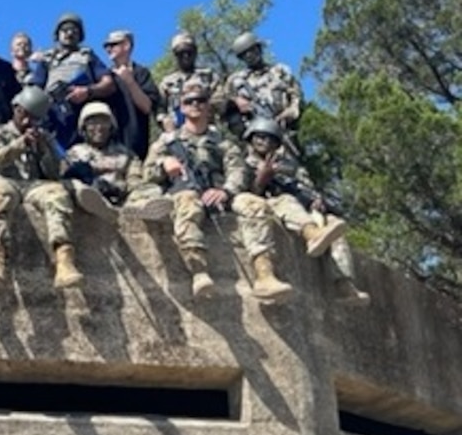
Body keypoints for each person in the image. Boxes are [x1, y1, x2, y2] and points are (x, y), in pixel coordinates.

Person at [139, 85, 293, 302]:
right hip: (186, 191)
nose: (195, 105)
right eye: (189, 101)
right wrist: (164, 165)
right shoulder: (167, 143)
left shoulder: (223, 142)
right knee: (187, 200)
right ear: (181, 108)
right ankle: (199, 271)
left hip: (222, 194)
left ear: (208, 106)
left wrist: (226, 191)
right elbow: (147, 174)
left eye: (201, 101)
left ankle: (264, 274)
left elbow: (238, 170)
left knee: (254, 204)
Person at [243, 118, 370, 306]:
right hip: (264, 206)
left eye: (272, 140)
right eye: (260, 137)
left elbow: (298, 188)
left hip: (293, 208)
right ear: (250, 138)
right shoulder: (243, 162)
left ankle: (344, 285)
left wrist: (314, 201)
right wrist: (262, 178)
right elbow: (242, 194)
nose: (265, 143)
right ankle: (311, 234)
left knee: (333, 227)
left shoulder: (285, 167)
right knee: (287, 200)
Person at [0, 86, 83, 290]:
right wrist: (20, 143)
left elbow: (55, 173)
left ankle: (64, 260)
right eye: (23, 114)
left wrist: (44, 150)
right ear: (16, 108)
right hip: (6, 181)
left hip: (34, 184)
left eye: (33, 117)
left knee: (57, 194)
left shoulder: (44, 136)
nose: (27, 121)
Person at [28, 12, 115, 152]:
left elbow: (108, 83)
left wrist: (88, 91)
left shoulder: (87, 55)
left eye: (74, 30)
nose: (69, 33)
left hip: (81, 116)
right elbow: (34, 91)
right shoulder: (47, 58)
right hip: (53, 116)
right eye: (65, 29)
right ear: (57, 34)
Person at [63, 102, 143, 223]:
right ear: (84, 127)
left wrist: (123, 190)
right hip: (86, 203)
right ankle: (97, 202)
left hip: (120, 200)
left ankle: (135, 208)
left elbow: (135, 179)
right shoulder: (74, 154)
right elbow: (63, 180)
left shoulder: (125, 154)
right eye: (93, 123)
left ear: (111, 126)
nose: (99, 127)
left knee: (147, 190)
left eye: (104, 122)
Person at [225, 32, 302, 140]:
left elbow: (296, 98)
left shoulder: (281, 71)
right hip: (251, 137)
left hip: (282, 132)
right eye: (244, 54)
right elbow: (223, 105)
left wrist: (288, 113)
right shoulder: (235, 80)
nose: (249, 55)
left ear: (259, 48)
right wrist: (235, 102)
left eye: (252, 50)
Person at [102, 30, 161, 160]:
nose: (108, 49)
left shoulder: (141, 73)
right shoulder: (104, 77)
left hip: (138, 152)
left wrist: (130, 82)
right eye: (106, 46)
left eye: (113, 45)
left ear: (127, 45)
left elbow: (147, 107)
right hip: (110, 154)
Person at [157, 33, 224, 126]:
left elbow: (220, 101)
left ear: (195, 52)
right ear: (175, 55)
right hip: (177, 132)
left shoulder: (209, 76)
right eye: (181, 53)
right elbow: (159, 109)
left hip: (207, 130)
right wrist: (165, 121)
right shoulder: (167, 83)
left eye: (189, 52)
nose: (186, 56)